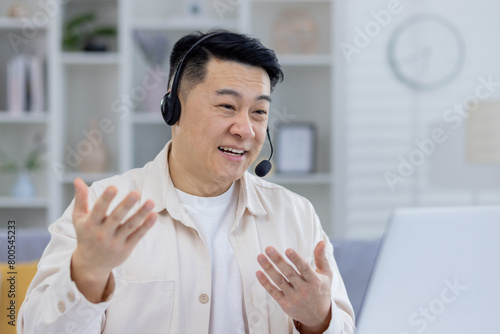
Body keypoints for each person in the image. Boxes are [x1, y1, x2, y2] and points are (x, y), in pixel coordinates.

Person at [19, 30, 355, 334]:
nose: (246, 130)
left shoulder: (295, 215)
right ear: (172, 107)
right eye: (227, 106)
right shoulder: (103, 210)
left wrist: (318, 319)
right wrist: (87, 276)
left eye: (259, 112)